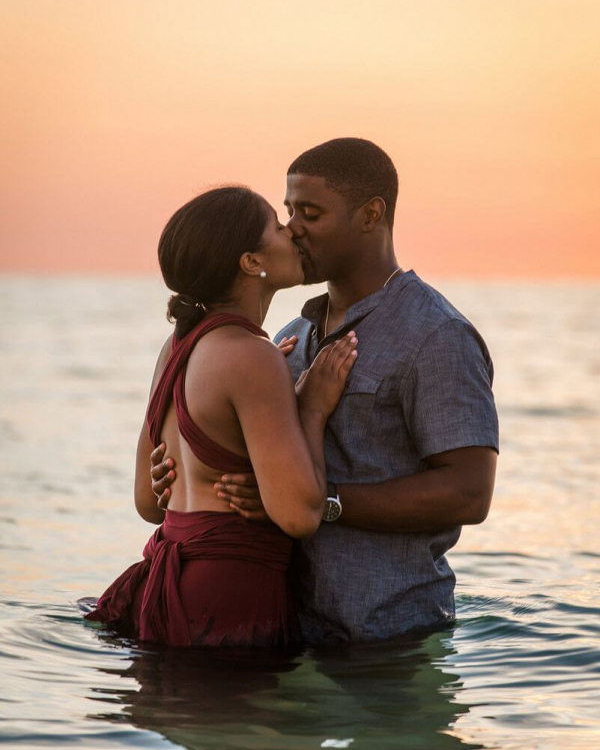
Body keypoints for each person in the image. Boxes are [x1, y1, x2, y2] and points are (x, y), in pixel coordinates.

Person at [152, 139, 499, 645]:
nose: (292, 227)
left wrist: (328, 503)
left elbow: (470, 492)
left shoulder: (435, 335)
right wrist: (178, 474)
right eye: (288, 211)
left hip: (384, 635)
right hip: (279, 632)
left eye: (309, 213)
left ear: (370, 215)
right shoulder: (288, 338)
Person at [84, 185, 358, 648]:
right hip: (229, 598)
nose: (291, 231)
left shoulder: (175, 349)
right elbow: (299, 516)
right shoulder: (252, 357)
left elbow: (149, 504)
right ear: (251, 262)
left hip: (171, 589)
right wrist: (310, 408)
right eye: (277, 224)